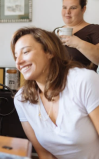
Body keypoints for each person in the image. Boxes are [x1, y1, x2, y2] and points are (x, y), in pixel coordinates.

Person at [11, 27, 99, 159]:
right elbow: (44, 155)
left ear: (50, 52)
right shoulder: (22, 99)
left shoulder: (83, 80)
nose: (18, 62)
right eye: (16, 56)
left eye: (26, 52)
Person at [55, 0, 99, 71]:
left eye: (73, 8)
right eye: (64, 7)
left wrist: (78, 43)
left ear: (83, 9)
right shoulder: (57, 31)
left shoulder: (95, 29)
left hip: (83, 82)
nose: (67, 12)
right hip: (58, 81)